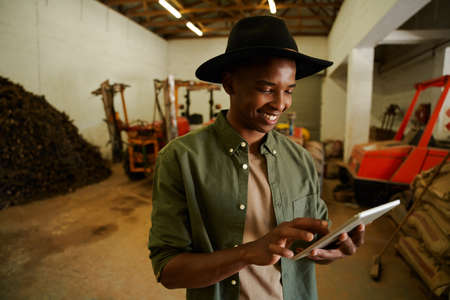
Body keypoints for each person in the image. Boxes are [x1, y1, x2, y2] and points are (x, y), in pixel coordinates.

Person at [148, 16, 365, 300]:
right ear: (229, 84)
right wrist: (249, 253)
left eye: (288, 90)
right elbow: (168, 270)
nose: (280, 104)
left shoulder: (300, 159)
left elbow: (308, 247)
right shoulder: (181, 159)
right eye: (266, 89)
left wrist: (332, 249)